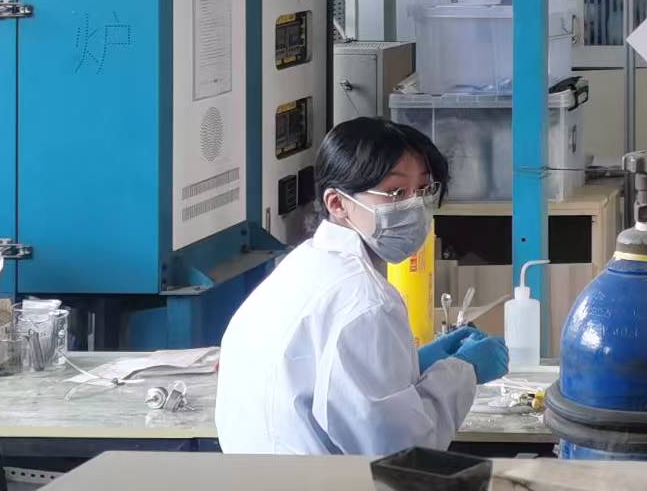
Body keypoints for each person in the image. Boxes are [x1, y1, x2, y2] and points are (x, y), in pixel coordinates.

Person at [217, 118, 508, 455]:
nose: (414, 208)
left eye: (423, 190)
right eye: (396, 193)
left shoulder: (302, 266)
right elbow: (399, 449)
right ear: (337, 203)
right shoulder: (367, 301)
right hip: (321, 478)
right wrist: (463, 371)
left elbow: (336, 384)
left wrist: (414, 365)